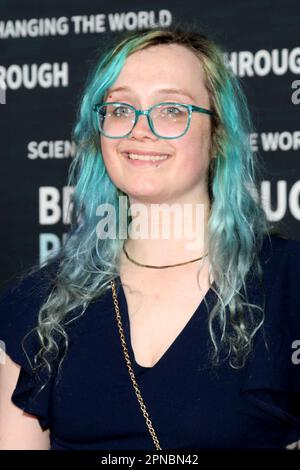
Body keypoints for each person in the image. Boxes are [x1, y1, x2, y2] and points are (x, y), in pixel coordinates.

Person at [0, 25, 300, 451]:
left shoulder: (289, 284)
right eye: (120, 109)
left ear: (217, 136)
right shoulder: (35, 304)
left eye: (171, 110)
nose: (140, 129)